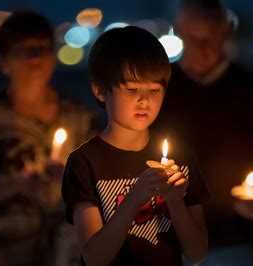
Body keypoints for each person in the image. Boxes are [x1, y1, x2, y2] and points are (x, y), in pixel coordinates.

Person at [153, 0, 253, 265]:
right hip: (169, 241)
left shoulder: (252, 94)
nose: (202, 47)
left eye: (209, 37)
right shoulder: (158, 93)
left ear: (225, 31)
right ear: (179, 33)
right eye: (193, 38)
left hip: (234, 241)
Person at [61, 26, 211, 266]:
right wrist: (135, 198)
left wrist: (174, 201)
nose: (145, 100)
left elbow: (197, 253)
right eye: (132, 89)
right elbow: (94, 258)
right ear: (100, 89)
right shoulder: (85, 162)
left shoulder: (180, 156)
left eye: (154, 89)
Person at [0, 11, 93, 266]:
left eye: (42, 48)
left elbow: (97, 182)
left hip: (64, 251)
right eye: (23, 50)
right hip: (1, 251)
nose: (34, 58)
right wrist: (15, 184)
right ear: (3, 61)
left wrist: (68, 180)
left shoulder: (79, 117)